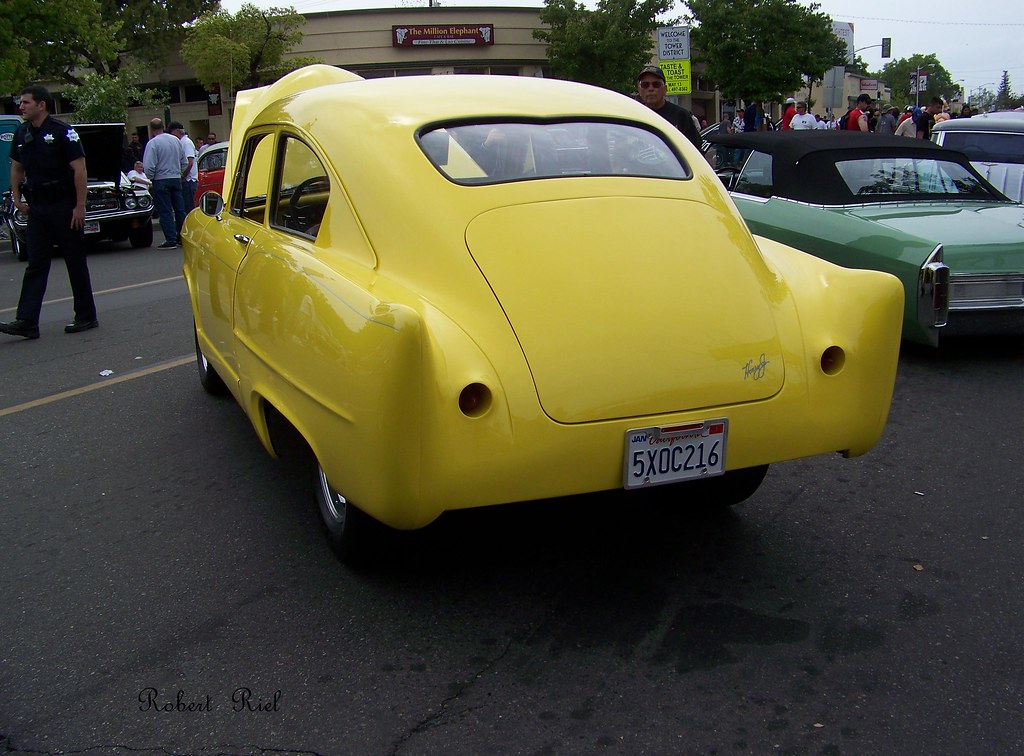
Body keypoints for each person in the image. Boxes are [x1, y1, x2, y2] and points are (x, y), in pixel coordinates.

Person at [0, 85, 98, 339]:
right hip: (38, 206)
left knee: (74, 261)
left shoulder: (63, 132)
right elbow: (17, 168)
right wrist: (16, 195)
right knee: (36, 263)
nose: (20, 107)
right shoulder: (22, 132)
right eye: (20, 103)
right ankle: (27, 320)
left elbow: (79, 170)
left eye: (25, 102)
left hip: (63, 204)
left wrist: (79, 206)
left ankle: (86, 315)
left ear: (41, 105)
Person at [143, 117, 187, 249]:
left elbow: (149, 165)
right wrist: (178, 172)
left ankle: (170, 239)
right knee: (180, 209)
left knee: (165, 210)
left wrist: (151, 177)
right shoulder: (175, 140)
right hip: (175, 177)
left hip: (160, 179)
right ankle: (183, 236)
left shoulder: (153, 143)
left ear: (151, 129)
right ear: (163, 127)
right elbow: (184, 161)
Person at [635, 66, 702, 149]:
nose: (651, 89)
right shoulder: (634, 115)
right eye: (645, 85)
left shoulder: (681, 115)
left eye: (656, 84)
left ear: (665, 89)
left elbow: (695, 148)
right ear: (639, 90)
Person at [168, 121, 198, 212]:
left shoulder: (186, 142)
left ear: (177, 131)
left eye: (171, 132)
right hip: (187, 180)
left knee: (188, 207)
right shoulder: (181, 142)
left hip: (188, 180)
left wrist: (183, 176)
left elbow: (190, 162)